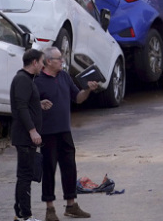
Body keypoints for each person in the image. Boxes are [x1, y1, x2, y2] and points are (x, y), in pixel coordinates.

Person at [35, 47, 99, 221]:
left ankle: (71, 205)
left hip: (65, 131)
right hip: (47, 133)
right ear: (49, 61)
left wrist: (87, 89)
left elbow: (77, 98)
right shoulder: (38, 81)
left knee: (69, 167)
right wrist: (39, 104)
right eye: (59, 58)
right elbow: (29, 105)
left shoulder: (64, 76)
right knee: (49, 170)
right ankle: (50, 209)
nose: (62, 61)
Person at [11, 49, 46, 221]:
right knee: (25, 176)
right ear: (34, 62)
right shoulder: (23, 80)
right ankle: (26, 215)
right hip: (25, 137)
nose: (43, 65)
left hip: (25, 138)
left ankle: (19, 214)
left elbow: (26, 103)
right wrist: (32, 131)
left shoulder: (26, 80)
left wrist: (38, 104)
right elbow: (21, 106)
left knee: (24, 176)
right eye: (42, 62)